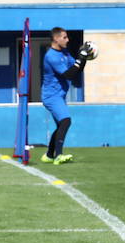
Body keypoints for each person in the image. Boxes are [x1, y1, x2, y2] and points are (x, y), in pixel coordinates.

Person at [40, 28, 93, 164]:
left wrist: (84, 58)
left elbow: (77, 69)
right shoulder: (51, 56)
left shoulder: (64, 53)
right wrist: (80, 58)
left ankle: (49, 155)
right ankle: (58, 155)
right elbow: (68, 75)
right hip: (51, 96)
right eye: (64, 37)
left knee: (61, 125)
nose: (67, 40)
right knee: (66, 121)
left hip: (59, 95)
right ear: (56, 39)